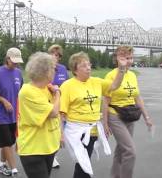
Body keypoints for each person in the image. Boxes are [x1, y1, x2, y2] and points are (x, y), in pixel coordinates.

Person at [60, 51, 127, 178]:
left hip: (93, 130)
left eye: (89, 64)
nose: (88, 68)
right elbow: (61, 113)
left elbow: (114, 85)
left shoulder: (96, 82)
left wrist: (122, 69)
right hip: (77, 131)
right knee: (83, 165)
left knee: (83, 163)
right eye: (84, 66)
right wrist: (60, 134)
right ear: (75, 69)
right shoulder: (67, 86)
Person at [102, 46, 153, 178]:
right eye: (125, 58)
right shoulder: (111, 75)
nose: (129, 61)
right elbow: (105, 100)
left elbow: (137, 97)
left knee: (121, 150)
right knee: (130, 151)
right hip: (115, 115)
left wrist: (146, 117)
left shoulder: (132, 75)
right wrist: (105, 123)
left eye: (130, 57)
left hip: (129, 115)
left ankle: (115, 175)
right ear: (117, 59)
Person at [17, 52, 61, 178]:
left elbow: (57, 114)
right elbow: (53, 112)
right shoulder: (28, 91)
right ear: (46, 72)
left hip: (48, 147)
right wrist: (58, 93)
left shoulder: (47, 88)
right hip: (33, 149)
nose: (54, 72)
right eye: (53, 69)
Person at [0, 47, 24, 176]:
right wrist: (4, 101)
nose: (16, 63)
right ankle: (14, 169)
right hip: (1, 114)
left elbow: (20, 91)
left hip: (14, 114)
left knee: (9, 142)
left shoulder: (18, 73)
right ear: (7, 58)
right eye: (14, 60)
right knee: (6, 142)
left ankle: (1, 164)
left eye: (18, 61)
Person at [47, 44, 69, 168]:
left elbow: (67, 84)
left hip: (61, 104)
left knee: (59, 132)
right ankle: (49, 155)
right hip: (48, 105)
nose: (55, 57)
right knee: (51, 131)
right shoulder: (44, 68)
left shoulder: (62, 69)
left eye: (58, 55)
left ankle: (53, 155)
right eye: (53, 54)